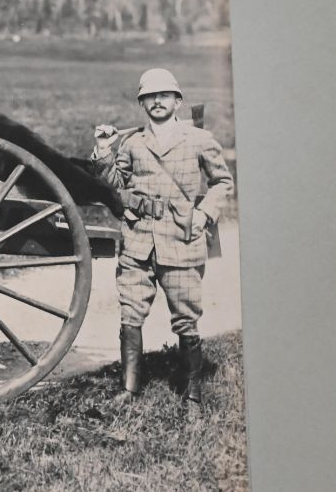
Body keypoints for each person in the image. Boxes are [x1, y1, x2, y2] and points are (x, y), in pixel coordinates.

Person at [92, 67, 234, 404]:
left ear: (178, 101)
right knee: (130, 313)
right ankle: (129, 389)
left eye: (163, 95)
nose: (156, 101)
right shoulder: (133, 143)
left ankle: (193, 394)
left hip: (182, 240)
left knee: (186, 317)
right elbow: (114, 186)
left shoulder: (199, 140)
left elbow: (223, 182)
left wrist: (204, 214)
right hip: (138, 240)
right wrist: (102, 151)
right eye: (149, 97)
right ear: (142, 103)